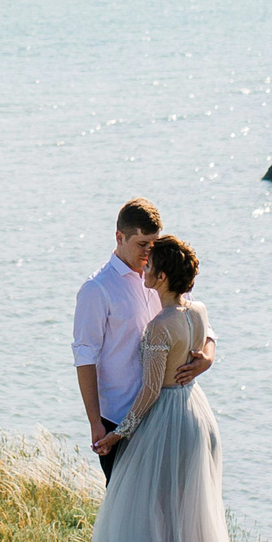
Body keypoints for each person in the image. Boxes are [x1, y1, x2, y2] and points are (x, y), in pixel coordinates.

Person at [57, 233, 263, 542]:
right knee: (187, 511)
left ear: (163, 277)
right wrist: (205, 358)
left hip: (167, 418)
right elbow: (205, 340)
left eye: (151, 265)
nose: (145, 268)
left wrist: (118, 433)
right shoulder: (197, 311)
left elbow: (151, 390)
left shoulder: (159, 328)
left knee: (138, 511)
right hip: (198, 414)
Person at [72, 198, 211, 483]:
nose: (149, 252)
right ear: (119, 237)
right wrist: (95, 422)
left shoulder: (163, 273)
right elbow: (85, 356)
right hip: (120, 416)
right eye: (142, 244)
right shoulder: (97, 289)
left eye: (154, 244)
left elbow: (201, 324)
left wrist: (206, 358)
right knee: (126, 510)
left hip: (166, 415)